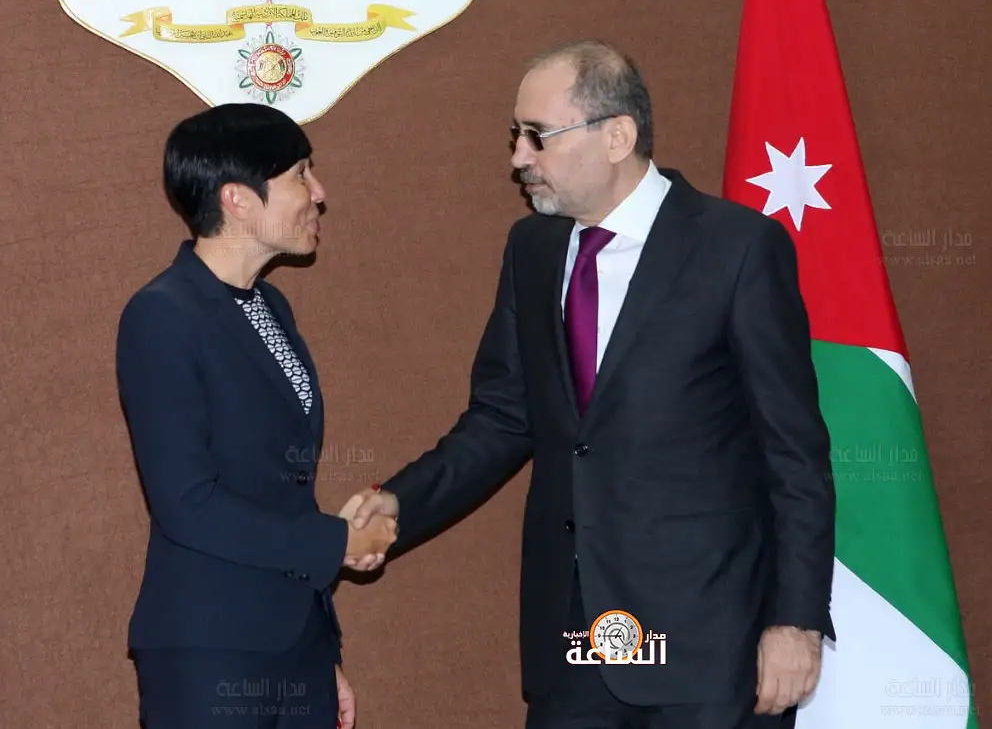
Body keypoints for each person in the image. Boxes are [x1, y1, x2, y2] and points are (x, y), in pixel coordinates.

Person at [341, 41, 835, 729]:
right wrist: (399, 501)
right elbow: (502, 418)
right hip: (575, 641)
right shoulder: (533, 250)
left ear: (617, 137)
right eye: (515, 134)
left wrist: (797, 621)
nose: (518, 157)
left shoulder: (737, 248)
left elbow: (794, 453)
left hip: (711, 644)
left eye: (537, 135)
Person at [117, 103, 396, 728]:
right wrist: (337, 543)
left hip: (294, 643)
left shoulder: (270, 306)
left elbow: (279, 491)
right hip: (210, 652)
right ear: (238, 199)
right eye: (300, 174)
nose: (319, 193)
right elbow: (187, 503)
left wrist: (320, 651)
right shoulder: (160, 316)